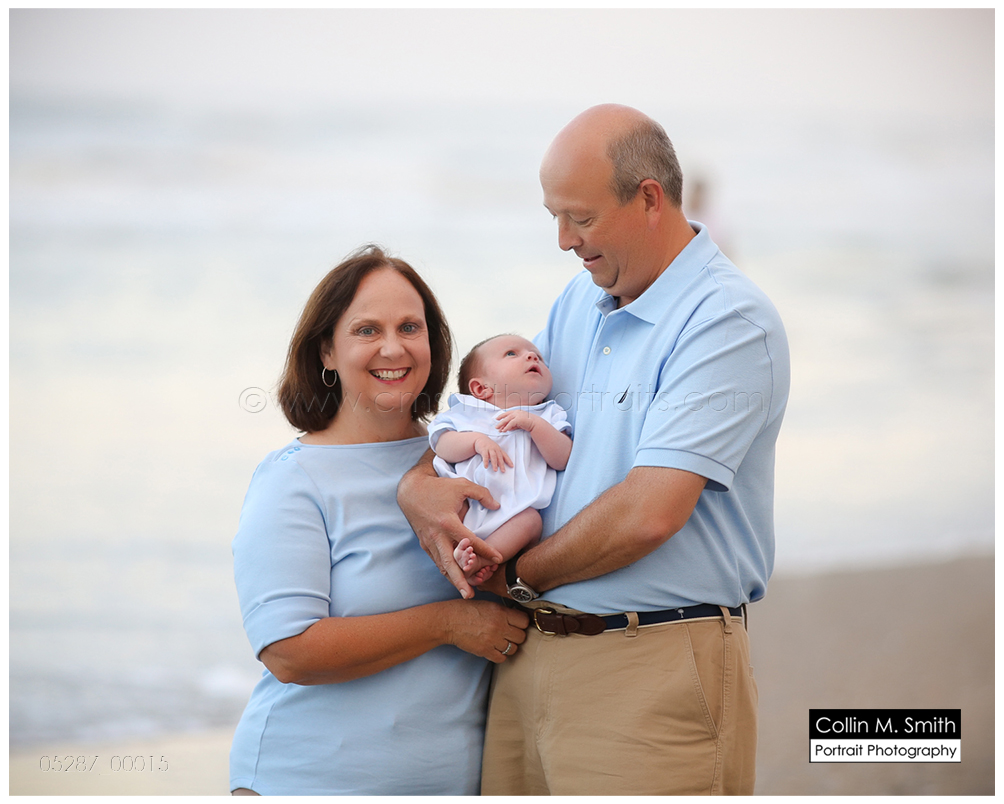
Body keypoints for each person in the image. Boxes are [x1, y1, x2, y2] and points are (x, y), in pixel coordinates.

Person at [397, 105, 790, 795]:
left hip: (653, 664)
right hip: (528, 656)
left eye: (578, 217)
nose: (561, 239)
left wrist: (515, 577)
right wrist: (418, 486)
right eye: (554, 215)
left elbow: (650, 512)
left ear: (647, 198)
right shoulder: (578, 304)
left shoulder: (727, 320)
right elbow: (494, 420)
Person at [229, 246, 528, 796]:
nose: (394, 348)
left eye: (410, 327)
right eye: (367, 330)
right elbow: (288, 650)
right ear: (327, 350)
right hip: (307, 779)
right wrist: (448, 624)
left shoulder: (473, 454)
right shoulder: (293, 480)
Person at [429, 334, 572, 585]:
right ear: (480, 388)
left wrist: (534, 426)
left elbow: (562, 459)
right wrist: (475, 441)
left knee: (531, 521)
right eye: (511, 354)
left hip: (513, 513)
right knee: (443, 513)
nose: (532, 356)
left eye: (538, 356)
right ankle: (461, 553)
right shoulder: (465, 413)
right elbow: (442, 446)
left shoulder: (548, 413)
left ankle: (484, 558)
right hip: (465, 505)